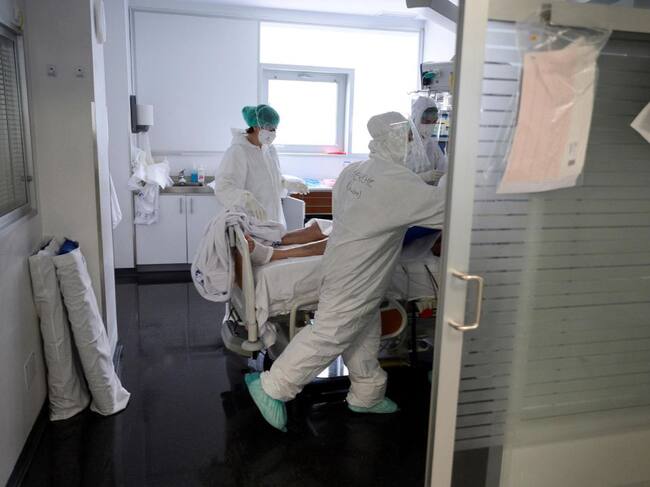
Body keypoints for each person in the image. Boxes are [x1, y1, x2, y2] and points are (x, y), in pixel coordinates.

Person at [244, 111, 446, 432]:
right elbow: (446, 208)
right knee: (331, 333)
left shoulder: (355, 171)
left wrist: (422, 180)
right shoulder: (400, 185)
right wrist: (452, 178)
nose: (414, 145)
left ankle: (367, 393)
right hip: (359, 275)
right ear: (396, 140)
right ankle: (273, 386)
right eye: (409, 137)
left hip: (339, 262)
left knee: (363, 328)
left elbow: (383, 199)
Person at [214, 104, 308, 228]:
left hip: (274, 220)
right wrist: (246, 199)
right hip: (250, 223)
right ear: (255, 126)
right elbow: (223, 187)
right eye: (268, 127)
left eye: (274, 128)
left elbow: (270, 181)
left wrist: (286, 184)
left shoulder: (270, 150)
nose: (272, 132)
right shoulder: (238, 151)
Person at [408, 96, 448, 183]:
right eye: (427, 122)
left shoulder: (432, 144)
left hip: (428, 191)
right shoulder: (403, 144)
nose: (430, 125)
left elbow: (443, 168)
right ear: (416, 118)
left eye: (434, 122)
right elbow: (397, 178)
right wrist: (422, 177)